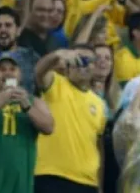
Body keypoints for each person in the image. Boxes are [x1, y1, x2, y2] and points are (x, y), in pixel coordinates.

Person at [0, 53, 54, 193]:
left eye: (12, 69)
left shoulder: (34, 101)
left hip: (20, 185)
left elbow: (49, 127)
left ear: (20, 75)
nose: (8, 73)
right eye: (2, 69)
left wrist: (27, 106)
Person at [34, 46, 107, 193]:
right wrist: (57, 55)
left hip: (87, 182)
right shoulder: (56, 83)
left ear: (95, 67)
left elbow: (98, 147)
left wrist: (99, 185)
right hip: (51, 176)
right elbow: (38, 72)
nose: (83, 65)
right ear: (68, 66)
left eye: (87, 61)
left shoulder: (99, 104)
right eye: (78, 60)